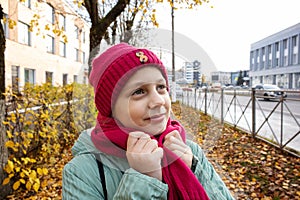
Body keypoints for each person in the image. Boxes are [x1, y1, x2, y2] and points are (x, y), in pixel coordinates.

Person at [62, 43, 234, 200]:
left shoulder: (190, 151)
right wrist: (143, 180)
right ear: (111, 108)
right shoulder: (82, 172)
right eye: (139, 91)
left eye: (161, 87)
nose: (158, 100)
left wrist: (194, 171)